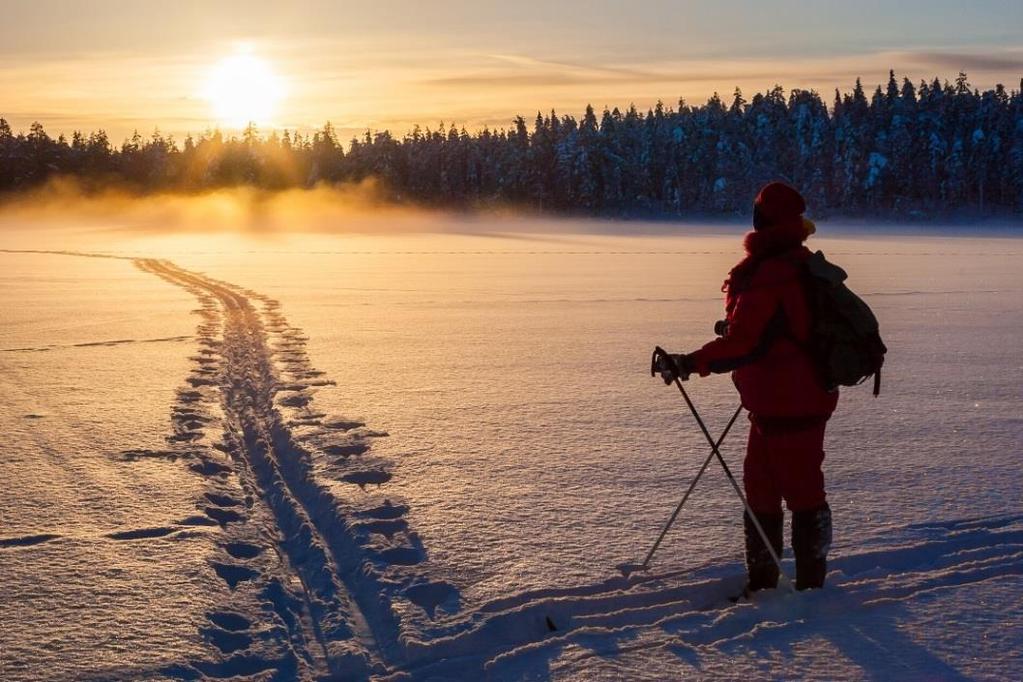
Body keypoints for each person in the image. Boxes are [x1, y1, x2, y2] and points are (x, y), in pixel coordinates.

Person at [656, 181, 837, 592]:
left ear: (764, 220)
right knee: (761, 493)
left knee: (801, 493)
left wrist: (690, 363)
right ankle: (764, 585)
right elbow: (766, 329)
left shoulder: (775, 272)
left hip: (795, 402)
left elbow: (746, 343)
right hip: (774, 402)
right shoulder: (788, 263)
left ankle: (811, 591)